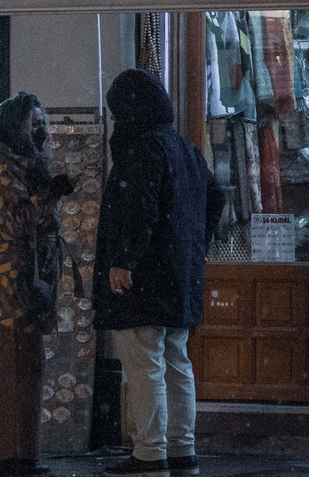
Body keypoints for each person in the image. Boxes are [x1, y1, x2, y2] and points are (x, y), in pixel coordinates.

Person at [94, 69, 225, 477]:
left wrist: (123, 261)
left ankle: (150, 451)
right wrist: (193, 244)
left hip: (146, 279)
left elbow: (139, 210)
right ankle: (182, 448)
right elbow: (216, 197)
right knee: (175, 360)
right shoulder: (184, 147)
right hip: (179, 276)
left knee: (144, 361)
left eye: (117, 112)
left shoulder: (143, 148)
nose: (116, 120)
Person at [0, 92, 73, 477]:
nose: (42, 127)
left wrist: (47, 194)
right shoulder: (0, 166)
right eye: (34, 122)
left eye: (43, 120)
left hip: (28, 277)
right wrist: (50, 196)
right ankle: (6, 457)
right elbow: (14, 225)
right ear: (17, 126)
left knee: (28, 366)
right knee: (13, 367)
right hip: (10, 281)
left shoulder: (26, 163)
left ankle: (22, 455)